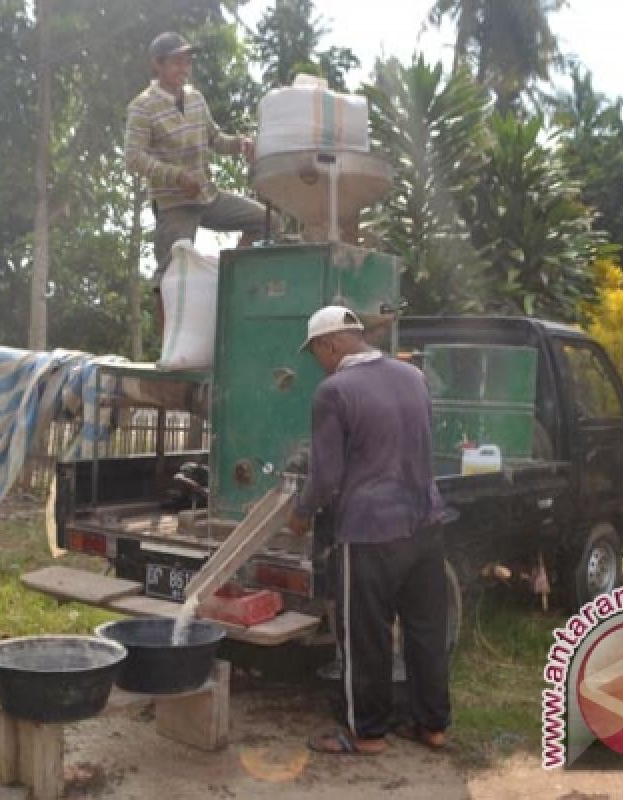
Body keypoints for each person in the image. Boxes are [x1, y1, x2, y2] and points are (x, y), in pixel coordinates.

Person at [287, 306, 451, 755]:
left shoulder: (333, 391)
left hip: (368, 532)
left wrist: (301, 514)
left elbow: (325, 479)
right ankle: (432, 726)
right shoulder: (412, 377)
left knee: (365, 636)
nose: (318, 362)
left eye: (316, 352)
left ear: (331, 344)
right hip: (425, 524)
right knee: (425, 630)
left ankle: (367, 733)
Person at [124, 31, 276, 322]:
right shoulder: (142, 107)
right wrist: (177, 176)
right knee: (171, 274)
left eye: (187, 62)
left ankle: (227, 278)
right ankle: (170, 344)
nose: (183, 69)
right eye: (176, 63)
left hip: (207, 195)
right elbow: (134, 158)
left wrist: (239, 144)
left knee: (267, 222)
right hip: (174, 204)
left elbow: (214, 139)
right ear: (157, 65)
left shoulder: (196, 99)